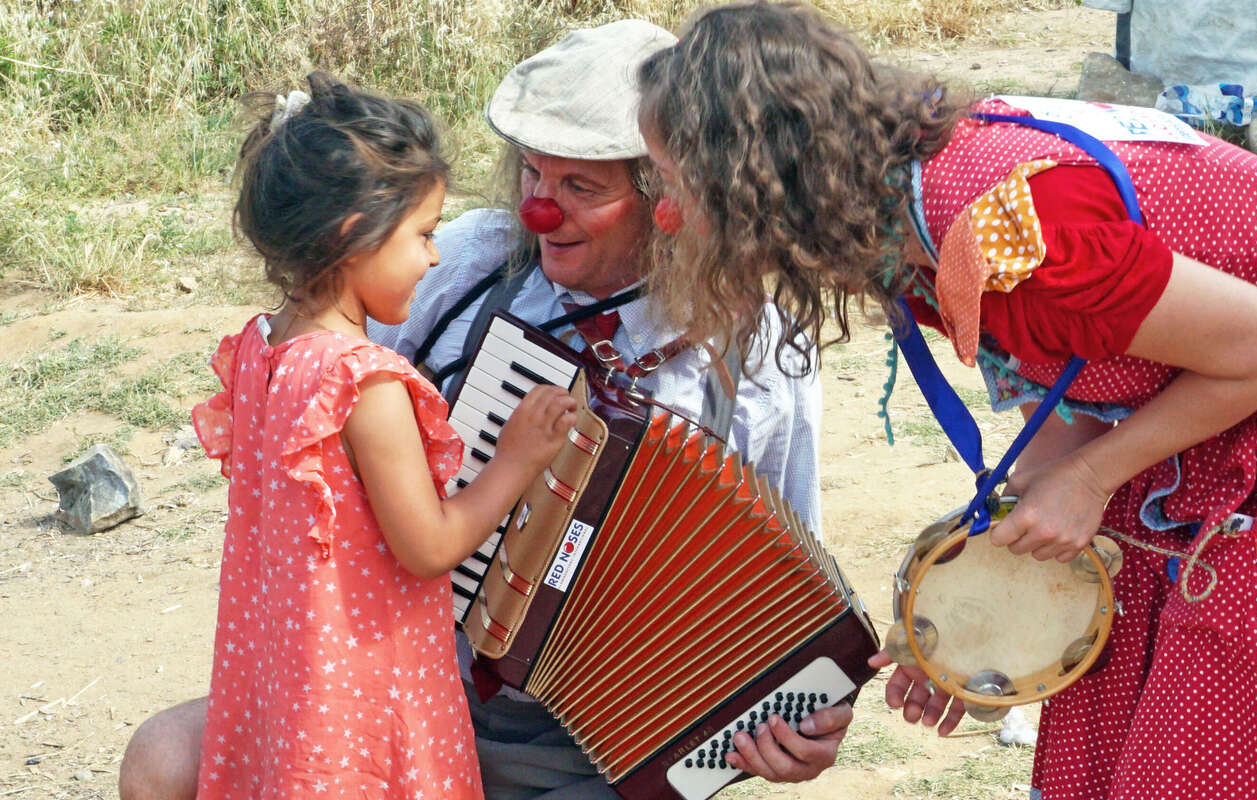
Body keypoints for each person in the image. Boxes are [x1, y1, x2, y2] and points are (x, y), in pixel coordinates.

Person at [635, 3, 1257, 799]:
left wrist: (1093, 480)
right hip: (1228, 387)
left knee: (1239, 709)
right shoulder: (905, 220)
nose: (669, 212)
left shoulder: (1011, 230)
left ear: (751, 175)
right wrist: (972, 623)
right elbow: (1076, 377)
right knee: (1140, 685)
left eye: (675, 179)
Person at [120, 21, 850, 800]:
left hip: (593, 744)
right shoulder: (463, 262)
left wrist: (797, 718)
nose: (539, 210)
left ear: (667, 195)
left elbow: (779, 588)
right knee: (163, 759)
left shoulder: (755, 350)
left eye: (581, 188)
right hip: (416, 680)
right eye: (533, 174)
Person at [183, 71, 579, 799]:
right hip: (367, 705)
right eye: (423, 235)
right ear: (350, 236)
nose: (435, 257)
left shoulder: (257, 353)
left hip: (286, 689)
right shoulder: (365, 383)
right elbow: (428, 548)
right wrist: (517, 459)